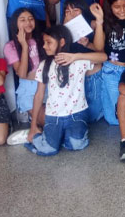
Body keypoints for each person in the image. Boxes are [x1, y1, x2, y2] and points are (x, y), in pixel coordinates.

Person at [26, 25, 106, 156]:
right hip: (53, 116)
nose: (44, 46)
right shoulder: (44, 65)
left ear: (62, 42)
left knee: (76, 145)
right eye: (44, 42)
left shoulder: (78, 62)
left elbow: (103, 57)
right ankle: (40, 137)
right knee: (48, 150)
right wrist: (33, 126)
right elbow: (39, 95)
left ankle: (65, 136)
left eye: (48, 42)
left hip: (77, 114)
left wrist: (76, 56)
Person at [4, 8, 44, 126]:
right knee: (47, 120)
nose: (28, 22)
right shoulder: (10, 46)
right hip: (29, 90)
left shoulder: (42, 39)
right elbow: (22, 74)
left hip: (48, 85)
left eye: (31, 19)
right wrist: (25, 46)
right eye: (22, 20)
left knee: (56, 118)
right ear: (15, 23)